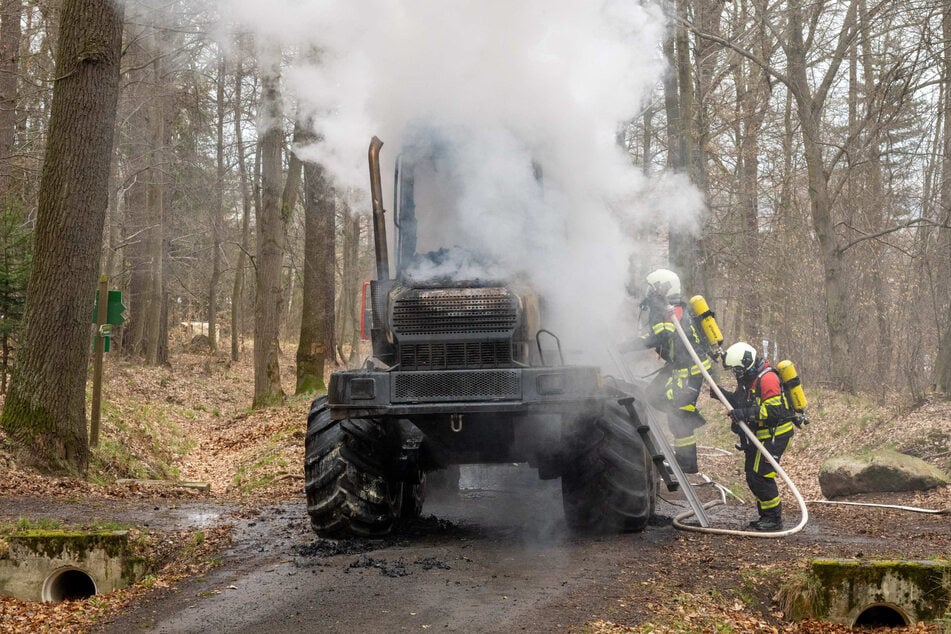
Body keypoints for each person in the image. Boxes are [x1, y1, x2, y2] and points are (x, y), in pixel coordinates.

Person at [623, 268, 711, 474]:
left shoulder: (672, 309)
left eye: (653, 288)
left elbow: (659, 336)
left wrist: (626, 347)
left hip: (688, 369)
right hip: (680, 366)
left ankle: (687, 463)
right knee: (652, 397)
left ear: (663, 288)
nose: (649, 292)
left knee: (678, 413)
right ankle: (684, 427)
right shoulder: (671, 307)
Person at [720, 341, 796, 531]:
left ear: (747, 363)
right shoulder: (748, 380)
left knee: (761, 475)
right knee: (752, 476)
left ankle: (773, 519)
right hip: (759, 435)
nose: (736, 373)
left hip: (774, 435)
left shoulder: (767, 379)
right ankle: (766, 516)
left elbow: (774, 411)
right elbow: (740, 402)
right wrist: (721, 394)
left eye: (737, 369)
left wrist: (744, 415)